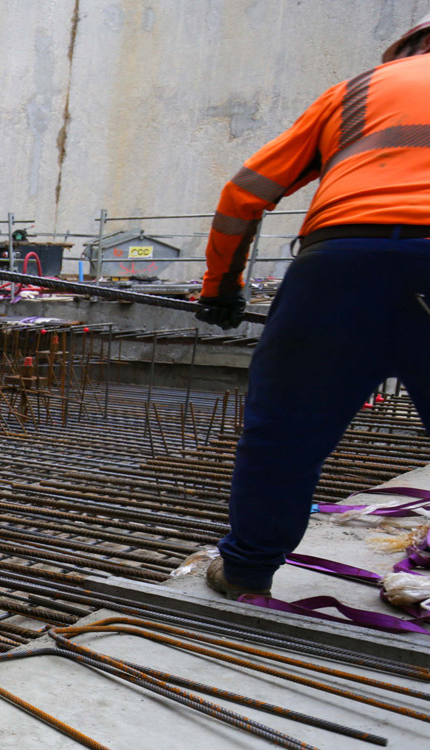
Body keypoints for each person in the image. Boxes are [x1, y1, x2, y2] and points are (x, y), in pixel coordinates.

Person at [195, 20, 430, 599]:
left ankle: (247, 570)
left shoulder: (354, 93)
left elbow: (243, 193)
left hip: (337, 267)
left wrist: (221, 287)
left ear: (401, 53)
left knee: (283, 432)